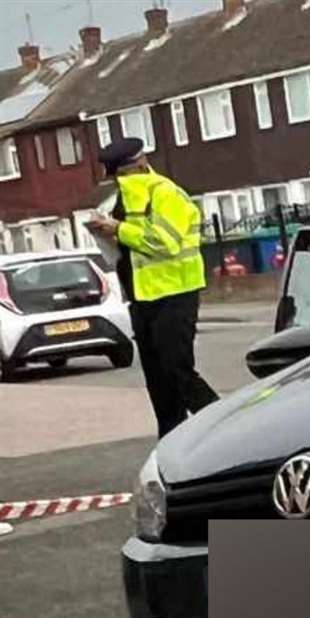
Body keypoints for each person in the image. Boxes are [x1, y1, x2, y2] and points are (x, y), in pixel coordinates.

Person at [85, 137, 216, 436]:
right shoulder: (123, 199)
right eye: (115, 178)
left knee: (177, 371)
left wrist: (118, 229)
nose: (119, 182)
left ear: (139, 165)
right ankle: (172, 443)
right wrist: (106, 233)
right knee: (158, 381)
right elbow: (131, 248)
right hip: (142, 298)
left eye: (121, 175)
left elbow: (164, 243)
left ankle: (224, 427)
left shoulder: (165, 193)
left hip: (175, 294)